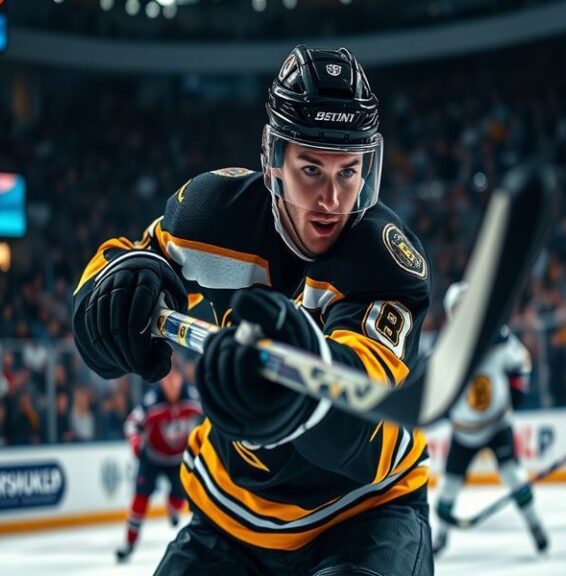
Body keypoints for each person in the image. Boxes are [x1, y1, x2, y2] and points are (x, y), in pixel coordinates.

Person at [73, 45, 433, 575]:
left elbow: (357, 427)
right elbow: (130, 260)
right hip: (229, 516)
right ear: (274, 161)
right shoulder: (213, 213)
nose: (331, 199)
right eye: (311, 168)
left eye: (349, 171)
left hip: (366, 512)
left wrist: (295, 383)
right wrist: (109, 297)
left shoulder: (386, 260)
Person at [432, 282, 548, 557]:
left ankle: (536, 527)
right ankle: (441, 536)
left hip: (497, 424)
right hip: (463, 431)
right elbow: (435, 383)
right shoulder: (447, 347)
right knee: (447, 489)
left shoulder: (499, 338)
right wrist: (442, 406)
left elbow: (522, 360)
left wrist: (518, 388)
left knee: (515, 478)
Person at [116, 368, 203, 562]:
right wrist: (137, 445)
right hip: (152, 458)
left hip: (178, 459)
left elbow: (210, 418)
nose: (171, 385)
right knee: (140, 499)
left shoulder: (193, 397)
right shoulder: (152, 400)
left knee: (179, 496)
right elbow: (131, 424)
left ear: (181, 379)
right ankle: (129, 544)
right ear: (161, 382)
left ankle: (172, 507)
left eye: (175, 379)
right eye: (167, 380)